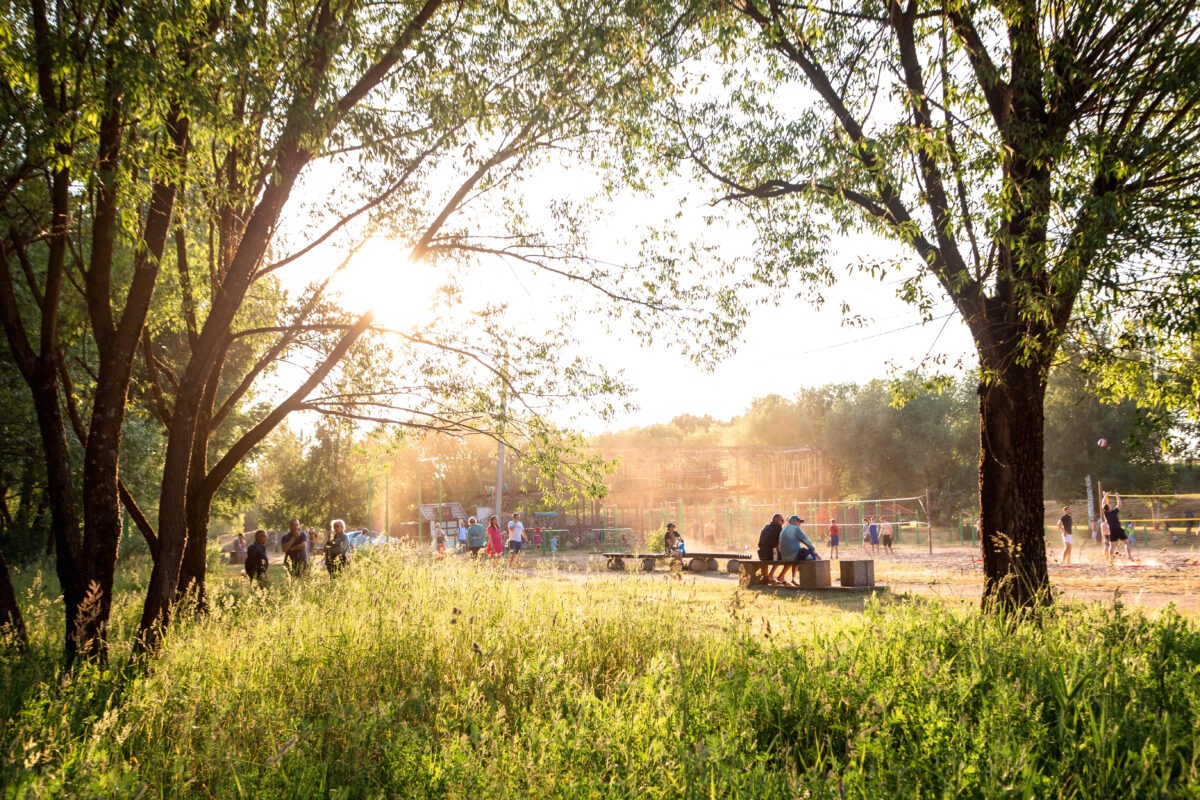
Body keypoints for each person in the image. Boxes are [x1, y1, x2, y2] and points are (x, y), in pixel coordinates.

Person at [778, 515, 819, 586]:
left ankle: (788, 577)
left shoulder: (784, 529)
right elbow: (806, 541)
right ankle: (810, 580)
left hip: (784, 556)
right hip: (793, 555)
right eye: (799, 522)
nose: (800, 524)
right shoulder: (796, 528)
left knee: (797, 553)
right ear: (794, 522)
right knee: (809, 555)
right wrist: (815, 553)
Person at [1103, 492, 1135, 563]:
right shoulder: (1113, 512)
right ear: (1109, 508)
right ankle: (1129, 556)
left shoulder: (1105, 513)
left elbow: (1103, 503)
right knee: (1127, 543)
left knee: (1112, 545)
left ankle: (1111, 559)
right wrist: (1117, 496)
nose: (1110, 505)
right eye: (1109, 505)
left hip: (1112, 530)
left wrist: (1105, 495)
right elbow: (1119, 504)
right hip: (1118, 529)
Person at [757, 513, 785, 585]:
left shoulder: (765, 527)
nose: (783, 522)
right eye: (782, 520)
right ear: (777, 520)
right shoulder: (778, 527)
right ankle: (771, 575)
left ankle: (765, 577)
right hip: (770, 554)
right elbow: (780, 542)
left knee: (768, 554)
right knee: (784, 556)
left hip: (761, 554)